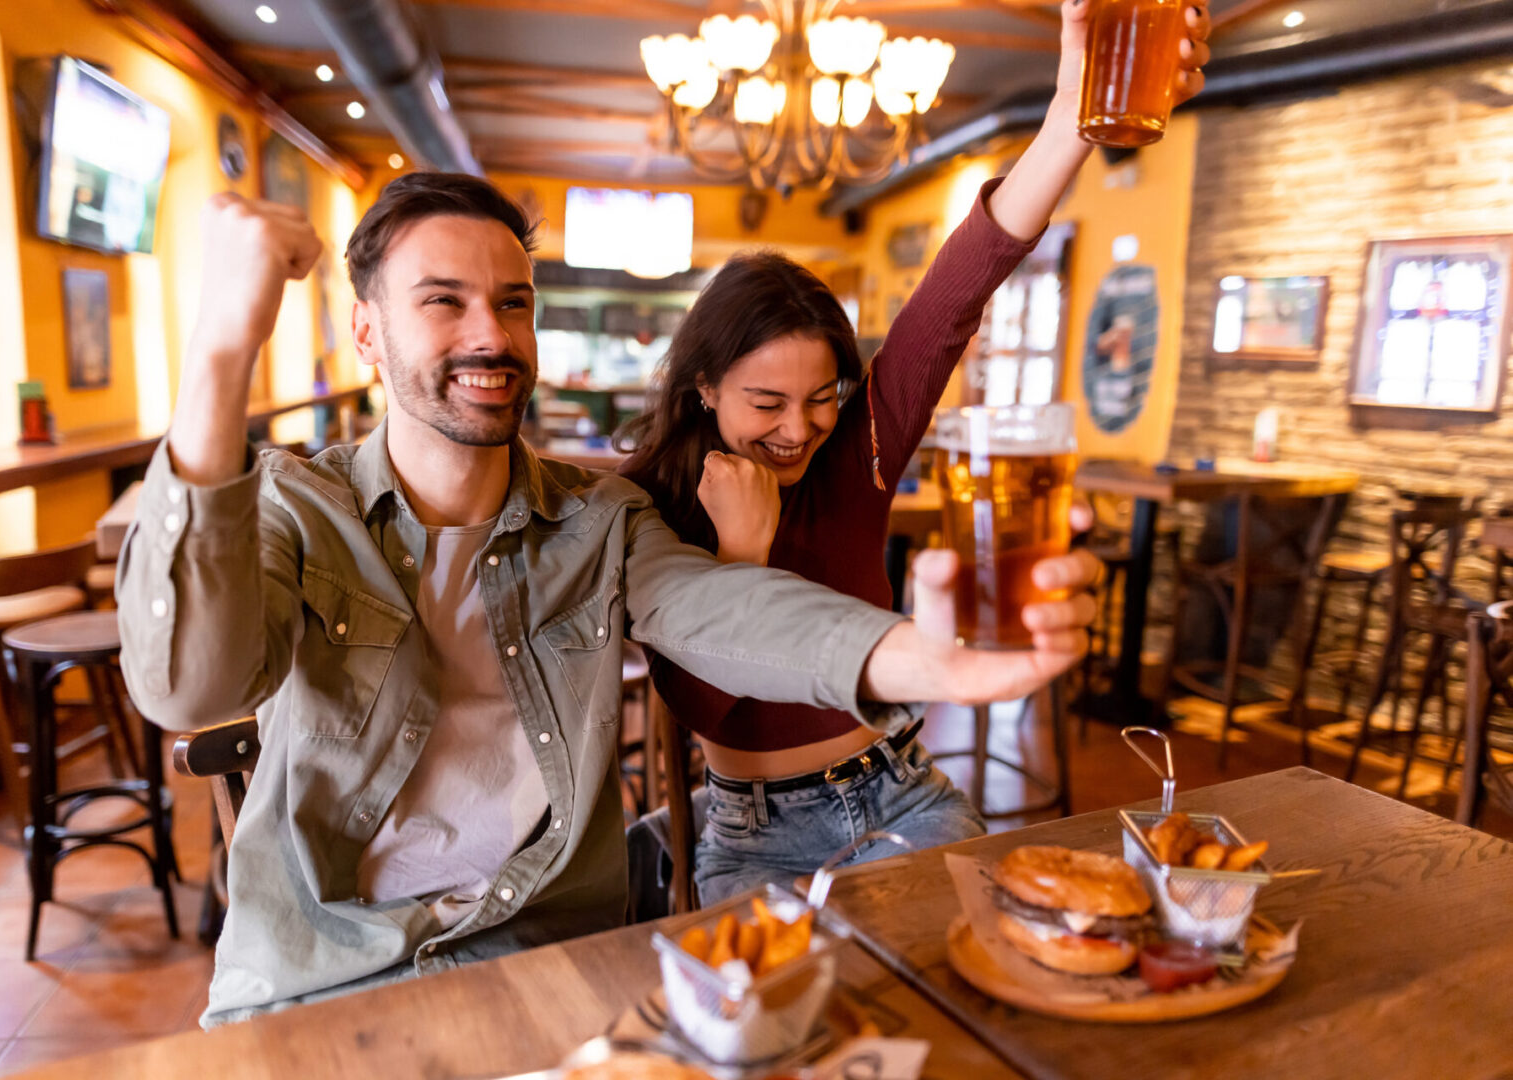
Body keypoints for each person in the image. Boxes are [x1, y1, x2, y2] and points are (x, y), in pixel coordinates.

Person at [116, 172, 1100, 1028]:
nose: (488, 335)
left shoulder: (601, 519)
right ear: (366, 332)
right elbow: (190, 688)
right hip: (322, 985)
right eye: (442, 302)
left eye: (511, 302)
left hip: (536, 959)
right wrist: (219, 354)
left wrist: (931, 657)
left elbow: (722, 613)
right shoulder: (295, 507)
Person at [618, 0, 1211, 904]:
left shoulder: (859, 451)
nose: (797, 428)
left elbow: (953, 295)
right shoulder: (648, 504)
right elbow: (704, 710)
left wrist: (1068, 117)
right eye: (765, 402)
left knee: (987, 980)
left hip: (899, 791)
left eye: (823, 399)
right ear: (703, 387)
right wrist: (739, 556)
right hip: (753, 831)